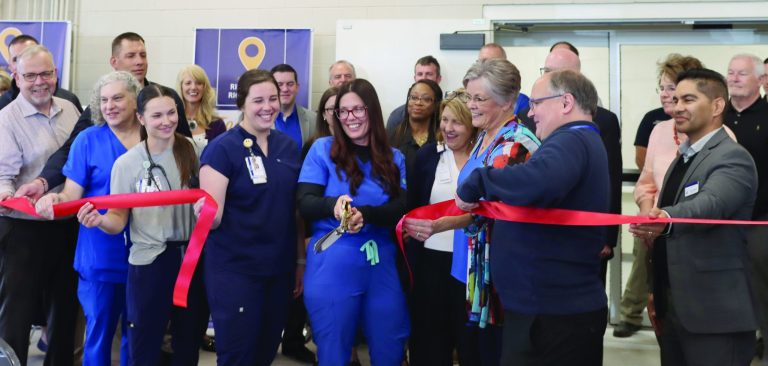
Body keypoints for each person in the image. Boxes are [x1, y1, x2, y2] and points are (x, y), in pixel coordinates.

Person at [457, 69, 609, 365]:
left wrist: (481, 180)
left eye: (537, 102)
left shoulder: (571, 141)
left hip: (553, 316)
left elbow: (538, 182)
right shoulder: (576, 141)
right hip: (548, 309)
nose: (530, 111)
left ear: (566, 103)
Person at [630, 68, 758, 366]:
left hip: (715, 313)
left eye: (688, 99)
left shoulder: (732, 157)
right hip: (674, 306)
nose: (676, 108)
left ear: (716, 106)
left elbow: (711, 205)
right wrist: (655, 290)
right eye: (675, 99)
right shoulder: (684, 156)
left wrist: (664, 217)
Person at [76, 85, 208, 365]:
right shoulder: (127, 164)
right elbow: (117, 219)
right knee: (144, 344)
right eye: (157, 115)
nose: (167, 121)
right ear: (141, 118)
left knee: (188, 342)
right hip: (149, 263)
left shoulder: (192, 151)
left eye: (172, 113)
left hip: (191, 259)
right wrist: (99, 220)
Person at [298, 79, 409, 365]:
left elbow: (401, 206)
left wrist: (367, 214)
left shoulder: (394, 157)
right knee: (334, 349)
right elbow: (305, 201)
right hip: (334, 261)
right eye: (343, 112)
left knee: (391, 344)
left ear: (372, 110)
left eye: (357, 109)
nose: (350, 118)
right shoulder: (322, 149)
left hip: (380, 260)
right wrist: (334, 207)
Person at [34, 71, 141, 365]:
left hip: (147, 252)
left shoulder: (153, 137)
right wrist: (56, 199)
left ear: (135, 100)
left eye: (118, 98)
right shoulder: (87, 140)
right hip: (100, 253)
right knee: (99, 332)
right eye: (104, 100)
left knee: (139, 334)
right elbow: (71, 194)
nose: (110, 106)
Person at [197, 69, 302, 365]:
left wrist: (299, 262)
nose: (267, 106)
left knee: (265, 353)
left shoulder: (289, 147)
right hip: (236, 272)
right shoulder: (222, 149)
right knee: (237, 356)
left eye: (273, 98)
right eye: (258, 100)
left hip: (278, 269)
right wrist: (205, 213)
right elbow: (212, 217)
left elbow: (294, 211)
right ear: (241, 103)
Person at [13, 31, 192, 202]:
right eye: (131, 56)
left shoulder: (166, 97)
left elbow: (183, 146)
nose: (139, 61)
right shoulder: (99, 113)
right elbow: (69, 151)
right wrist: (43, 182)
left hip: (158, 220)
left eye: (143, 55)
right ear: (114, 62)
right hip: (104, 218)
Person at [0, 45, 81, 365]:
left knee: (64, 310)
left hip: (67, 226)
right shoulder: (6, 120)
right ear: (16, 77)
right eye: (30, 75)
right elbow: (3, 176)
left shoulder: (71, 109)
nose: (39, 82)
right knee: (16, 313)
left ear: (56, 73)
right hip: (23, 229)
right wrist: (6, 197)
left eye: (46, 74)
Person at [614, 54, 703, 338]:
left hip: (692, 233)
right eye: (662, 88)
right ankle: (633, 316)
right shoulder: (659, 130)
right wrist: (647, 211)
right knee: (657, 300)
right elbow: (646, 180)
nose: (665, 94)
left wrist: (670, 216)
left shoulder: (715, 134)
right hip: (655, 225)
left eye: (670, 87)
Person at [518, 47, 621, 282]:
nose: (549, 78)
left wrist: (607, 234)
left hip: (584, 232)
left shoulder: (603, 119)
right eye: (547, 70)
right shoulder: (526, 116)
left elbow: (611, 178)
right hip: (539, 233)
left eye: (558, 72)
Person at [404, 88, 479, 365]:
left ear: (472, 123)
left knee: (471, 344)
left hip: (471, 268)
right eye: (444, 120)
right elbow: (411, 206)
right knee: (429, 344)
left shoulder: (484, 157)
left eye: (456, 122)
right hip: (431, 265)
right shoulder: (428, 157)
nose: (448, 128)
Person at [722, 53, 768, 363]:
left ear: (761, 80)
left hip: (760, 221)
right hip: (719, 221)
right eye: (731, 73)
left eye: (742, 73)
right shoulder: (716, 116)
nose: (734, 78)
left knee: (760, 287)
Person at [0, 34, 82, 111]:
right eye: (16, 59)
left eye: (32, 54)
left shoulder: (69, 101)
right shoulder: (3, 107)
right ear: (9, 65)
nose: (25, 62)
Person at [388, 79, 443, 176]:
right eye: (413, 97)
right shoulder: (391, 137)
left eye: (426, 99)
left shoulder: (442, 138)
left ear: (436, 105)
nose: (418, 103)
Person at [176, 64, 226, 147]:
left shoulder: (217, 124)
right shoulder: (172, 121)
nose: (193, 87)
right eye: (188, 83)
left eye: (198, 83)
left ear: (204, 87)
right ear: (181, 87)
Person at [386, 55, 443, 129]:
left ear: (438, 79)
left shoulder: (447, 114)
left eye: (429, 74)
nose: (424, 78)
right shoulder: (398, 116)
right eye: (420, 74)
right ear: (415, 78)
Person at [271, 63, 317, 153]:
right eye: (279, 84)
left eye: (290, 84)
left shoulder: (313, 119)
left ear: (297, 87)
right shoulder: (258, 118)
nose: (285, 89)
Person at [477, 43, 529, 115]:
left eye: (492, 63)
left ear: (505, 65)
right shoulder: (468, 100)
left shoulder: (521, 103)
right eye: (480, 62)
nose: (484, 67)